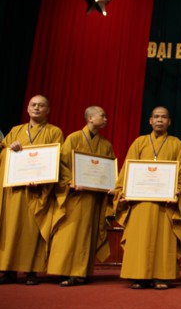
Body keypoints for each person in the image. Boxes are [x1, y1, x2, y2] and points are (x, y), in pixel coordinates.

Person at [113, 106, 181, 290]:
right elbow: (128, 169)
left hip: (165, 205)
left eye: (163, 117)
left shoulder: (177, 144)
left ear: (169, 121)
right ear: (150, 121)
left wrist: (177, 191)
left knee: (163, 239)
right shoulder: (139, 142)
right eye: (156, 117)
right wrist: (124, 191)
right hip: (141, 202)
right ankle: (139, 276)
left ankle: (162, 276)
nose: (160, 120)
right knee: (140, 239)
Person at [47, 106, 115, 286]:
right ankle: (65, 271)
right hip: (74, 196)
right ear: (90, 118)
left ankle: (82, 271)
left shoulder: (106, 145)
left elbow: (109, 171)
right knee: (70, 233)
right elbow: (62, 164)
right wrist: (70, 181)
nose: (106, 119)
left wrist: (111, 186)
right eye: (103, 115)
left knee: (87, 235)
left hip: (94, 198)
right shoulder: (73, 138)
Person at [0, 95, 64, 285]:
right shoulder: (16, 130)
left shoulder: (54, 132)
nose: (36, 108)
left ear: (48, 110)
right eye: (33, 105)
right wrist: (9, 149)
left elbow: (57, 158)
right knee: (11, 228)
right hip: (15, 190)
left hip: (37, 190)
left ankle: (31, 271)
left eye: (41, 105)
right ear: (27, 108)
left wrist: (43, 179)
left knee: (32, 230)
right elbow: (3, 154)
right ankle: (8, 269)